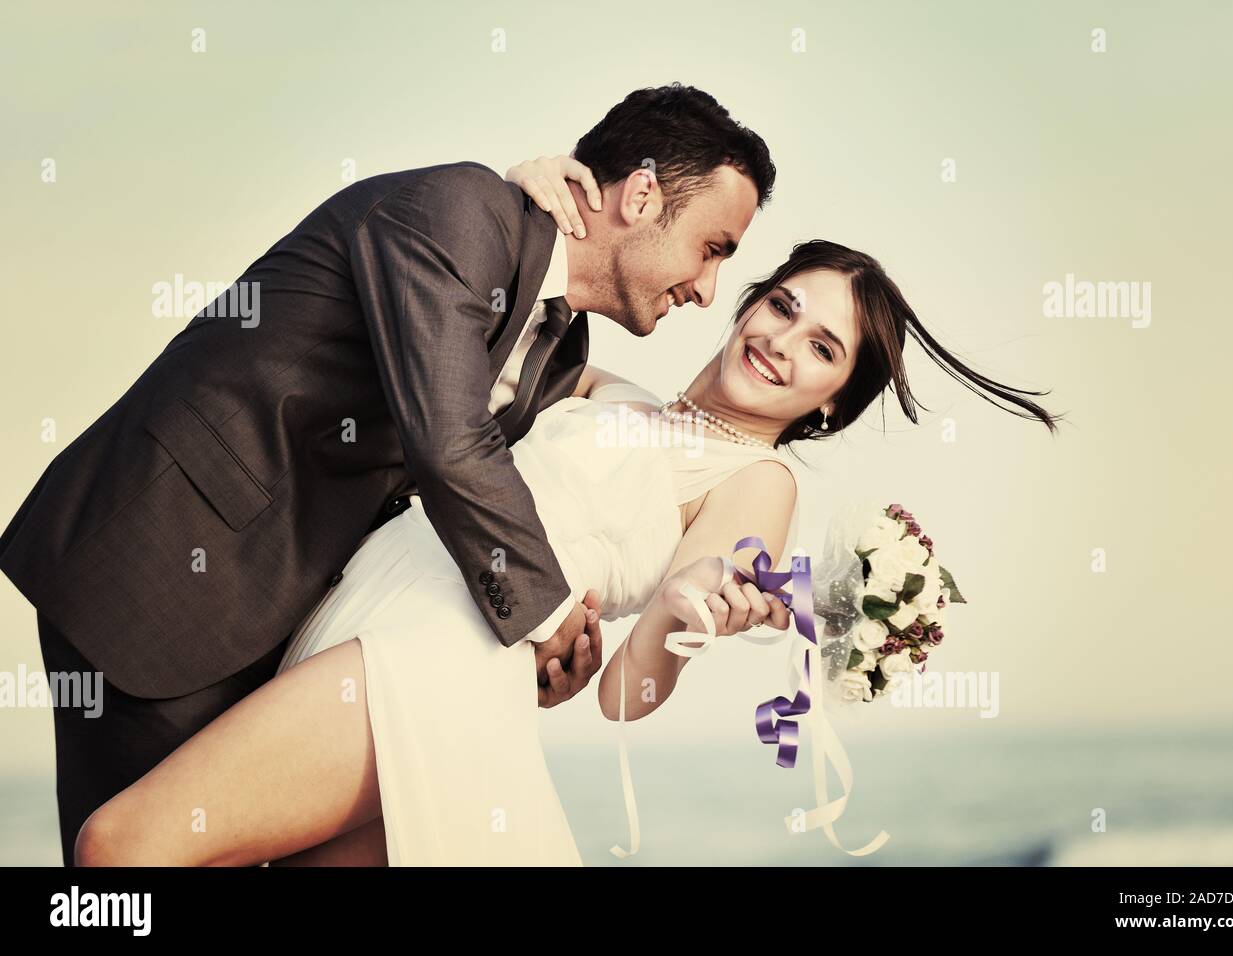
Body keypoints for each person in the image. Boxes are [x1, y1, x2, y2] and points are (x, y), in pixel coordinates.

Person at [73, 159, 1063, 865]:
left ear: (829, 404)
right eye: (784, 306)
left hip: (434, 658)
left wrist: (688, 611)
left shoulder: (759, 484)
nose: (784, 341)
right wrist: (524, 194)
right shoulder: (609, 393)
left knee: (124, 848)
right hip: (359, 612)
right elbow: (482, 343)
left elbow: (627, 691)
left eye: (822, 351)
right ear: (747, 300)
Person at [0, 84, 776, 866]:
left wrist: (540, 644)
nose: (708, 289)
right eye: (712, 248)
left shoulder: (559, 351)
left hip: (291, 618)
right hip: (171, 561)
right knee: (127, 862)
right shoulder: (461, 210)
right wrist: (545, 615)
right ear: (641, 195)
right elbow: (448, 441)